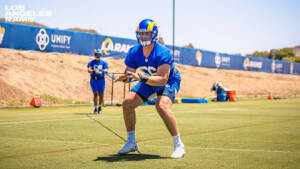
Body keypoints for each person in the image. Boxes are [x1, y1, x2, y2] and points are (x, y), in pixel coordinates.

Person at [115, 19, 185, 158]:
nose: (143, 37)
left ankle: (179, 145)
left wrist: (140, 77)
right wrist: (124, 77)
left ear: (154, 35)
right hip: (147, 79)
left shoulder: (163, 52)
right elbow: (129, 72)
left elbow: (163, 79)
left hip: (168, 80)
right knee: (127, 103)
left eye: (146, 34)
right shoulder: (134, 51)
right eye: (141, 34)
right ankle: (131, 142)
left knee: (162, 106)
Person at [87, 49, 108, 114]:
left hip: (101, 80)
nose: (97, 56)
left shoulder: (104, 63)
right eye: (96, 54)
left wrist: (101, 70)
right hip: (94, 80)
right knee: (95, 94)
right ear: (94, 55)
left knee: (101, 94)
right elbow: (89, 70)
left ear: (100, 55)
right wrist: (94, 71)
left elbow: (106, 70)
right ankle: (95, 108)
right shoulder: (91, 62)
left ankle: (100, 107)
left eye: (99, 54)